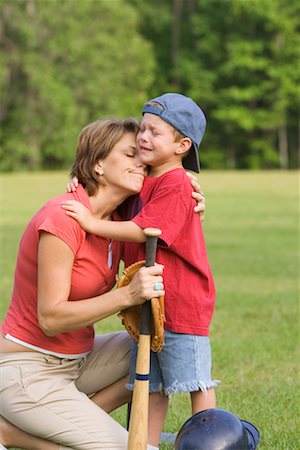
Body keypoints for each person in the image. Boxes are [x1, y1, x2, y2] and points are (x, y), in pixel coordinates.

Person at [61, 92, 219, 448]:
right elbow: (112, 207)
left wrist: (90, 223)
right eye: (142, 129)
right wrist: (81, 186)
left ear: (182, 145)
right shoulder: (140, 182)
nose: (143, 137)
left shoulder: (176, 184)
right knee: (150, 383)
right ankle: (144, 443)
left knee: (196, 381)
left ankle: (210, 439)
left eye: (155, 132)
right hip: (147, 302)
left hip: (181, 303)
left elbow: (145, 229)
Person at [0, 118, 166, 450]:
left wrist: (194, 200)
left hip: (78, 361)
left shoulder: (117, 221)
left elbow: (169, 205)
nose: (141, 163)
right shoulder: (62, 219)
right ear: (97, 165)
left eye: (142, 157)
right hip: (26, 371)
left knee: (166, 350)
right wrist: (127, 295)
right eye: (131, 154)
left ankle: (62, 423)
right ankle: (10, 433)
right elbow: (51, 318)